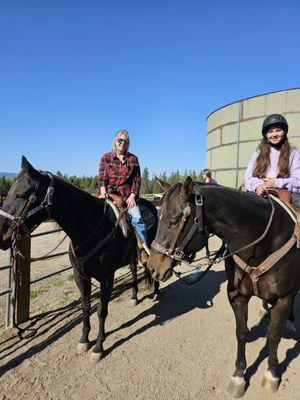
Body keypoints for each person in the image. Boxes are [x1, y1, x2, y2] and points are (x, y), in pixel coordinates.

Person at [98, 129, 150, 259]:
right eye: (120, 140)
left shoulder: (133, 159)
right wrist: (103, 191)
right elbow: (102, 178)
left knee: (137, 218)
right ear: (115, 142)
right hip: (110, 194)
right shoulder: (106, 157)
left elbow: (137, 180)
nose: (122, 143)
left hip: (128, 195)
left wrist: (133, 195)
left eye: (125, 141)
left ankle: (142, 248)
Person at [244, 113, 300, 205]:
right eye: (270, 132)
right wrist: (257, 186)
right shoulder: (258, 153)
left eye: (278, 130)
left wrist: (276, 183)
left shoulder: (293, 153)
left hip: (285, 193)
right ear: (265, 135)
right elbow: (248, 177)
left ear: (284, 132)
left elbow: (298, 180)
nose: (274, 134)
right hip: (260, 191)